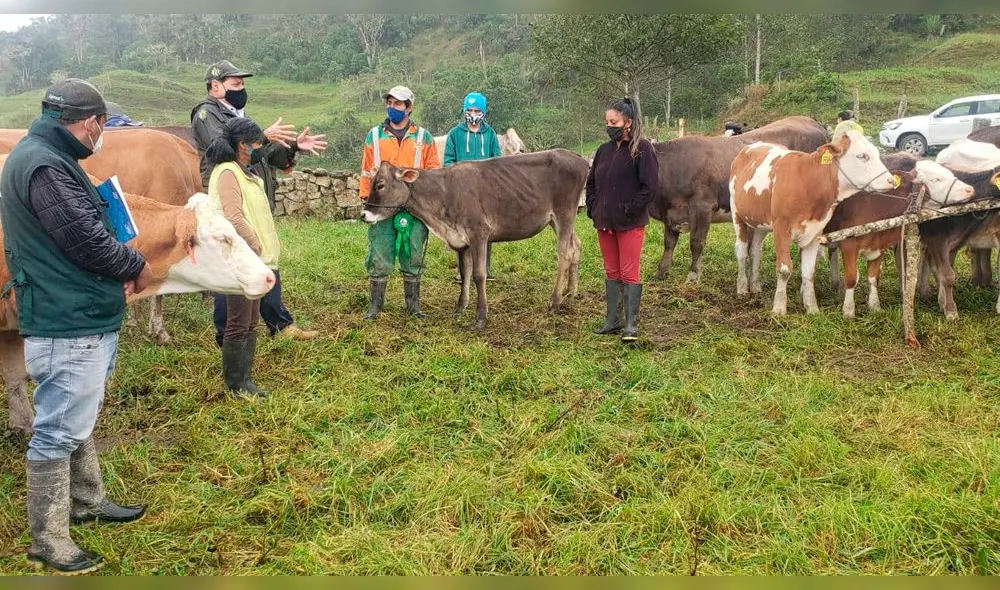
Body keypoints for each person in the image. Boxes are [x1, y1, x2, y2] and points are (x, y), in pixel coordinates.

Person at [0, 79, 153, 574]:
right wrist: (134, 264)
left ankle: (87, 500)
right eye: (102, 127)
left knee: (73, 411)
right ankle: (49, 537)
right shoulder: (44, 165)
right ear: (90, 123)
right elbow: (84, 239)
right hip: (68, 317)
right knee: (57, 428)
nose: (101, 135)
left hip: (77, 310)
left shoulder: (45, 155)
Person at [191, 60, 326, 346]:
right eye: (235, 83)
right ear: (215, 86)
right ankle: (226, 334)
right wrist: (262, 137)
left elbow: (260, 154)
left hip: (253, 193)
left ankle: (280, 324)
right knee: (230, 268)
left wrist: (291, 147)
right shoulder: (206, 114)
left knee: (264, 259)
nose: (242, 88)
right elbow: (221, 148)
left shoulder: (237, 114)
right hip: (230, 196)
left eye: (242, 83)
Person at [204, 118, 280, 399]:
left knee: (249, 321)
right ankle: (236, 384)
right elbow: (233, 215)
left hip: (252, 259)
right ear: (242, 145)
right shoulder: (227, 172)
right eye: (258, 143)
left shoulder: (244, 172)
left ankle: (245, 379)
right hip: (240, 259)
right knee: (239, 320)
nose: (261, 147)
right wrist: (254, 244)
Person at [359, 85, 440, 319]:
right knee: (380, 251)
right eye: (390, 103)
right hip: (382, 206)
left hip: (413, 207)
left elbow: (433, 173)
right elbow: (366, 170)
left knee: (413, 252)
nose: (392, 107)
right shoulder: (374, 135)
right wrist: (367, 200)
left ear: (409, 107)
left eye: (398, 104)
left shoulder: (423, 137)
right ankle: (375, 306)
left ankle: (413, 306)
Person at [585, 97, 659, 343]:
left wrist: (630, 209)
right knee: (611, 270)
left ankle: (631, 325)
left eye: (614, 121)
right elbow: (592, 181)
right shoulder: (603, 150)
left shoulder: (643, 149)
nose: (609, 126)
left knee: (629, 271)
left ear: (628, 122)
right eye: (607, 122)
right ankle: (612, 320)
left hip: (629, 222)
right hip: (604, 221)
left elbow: (649, 187)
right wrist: (593, 206)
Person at [443, 92, 502, 282]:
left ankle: (485, 268)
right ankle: (463, 272)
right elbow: (448, 162)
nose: (473, 113)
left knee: (485, 229)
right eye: (470, 110)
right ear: (464, 111)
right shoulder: (455, 134)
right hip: (462, 192)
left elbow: (498, 162)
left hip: (486, 191)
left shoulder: (490, 134)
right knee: (463, 230)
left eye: (477, 110)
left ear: (483, 112)